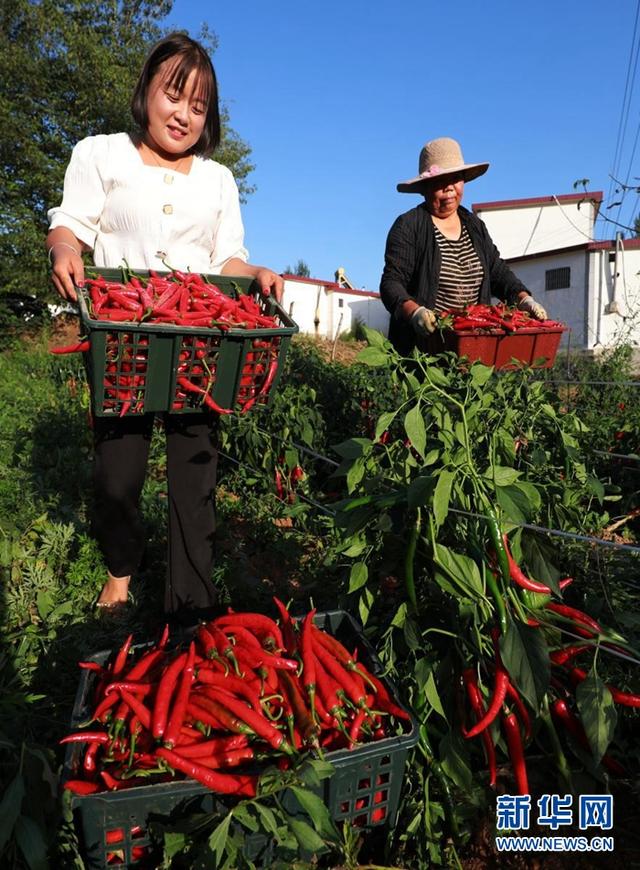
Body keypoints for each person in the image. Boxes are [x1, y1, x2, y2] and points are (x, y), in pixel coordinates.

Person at [46, 32, 283, 624]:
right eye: (174, 95)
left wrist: (255, 273)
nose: (183, 115)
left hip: (199, 342)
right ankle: (121, 568)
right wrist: (63, 248)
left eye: (198, 107)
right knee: (117, 475)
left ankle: (191, 604)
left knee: (195, 473)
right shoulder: (101, 154)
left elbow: (226, 259)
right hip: (123, 334)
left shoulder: (218, 181)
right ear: (147, 90)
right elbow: (70, 223)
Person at [380, 137, 547, 355]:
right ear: (424, 188)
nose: (449, 188)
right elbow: (391, 283)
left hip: (472, 347)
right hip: (426, 349)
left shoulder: (474, 226)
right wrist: (414, 312)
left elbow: (497, 272)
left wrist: (525, 299)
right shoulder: (409, 226)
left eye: (455, 179)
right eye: (440, 181)